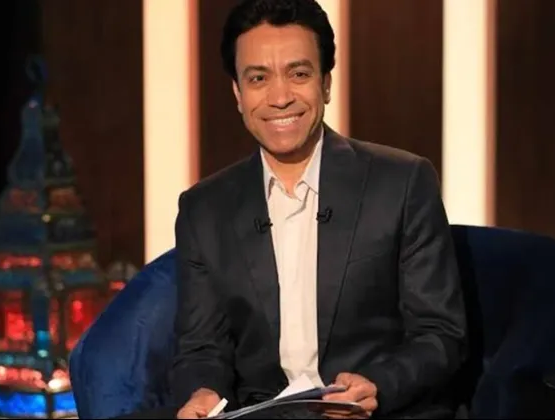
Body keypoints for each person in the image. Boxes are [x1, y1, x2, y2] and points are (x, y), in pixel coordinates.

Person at [163, 0, 467, 418]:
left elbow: (441, 334)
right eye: (258, 78)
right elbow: (201, 348)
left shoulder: (402, 182)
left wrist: (379, 385)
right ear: (238, 93)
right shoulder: (204, 209)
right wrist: (202, 394)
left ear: (325, 83)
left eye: (299, 74)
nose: (280, 98)